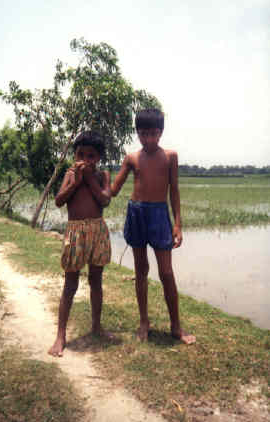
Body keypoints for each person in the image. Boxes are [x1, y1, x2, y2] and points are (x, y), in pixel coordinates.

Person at [111, 109, 195, 344]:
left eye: (153, 134)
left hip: (159, 215)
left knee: (166, 273)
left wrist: (177, 224)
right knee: (141, 270)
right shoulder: (132, 158)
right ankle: (143, 322)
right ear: (137, 133)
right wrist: (93, 180)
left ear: (161, 132)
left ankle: (176, 326)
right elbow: (114, 189)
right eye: (143, 133)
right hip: (136, 213)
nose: (148, 139)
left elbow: (174, 190)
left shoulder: (170, 157)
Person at [48, 131, 112, 357]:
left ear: (99, 158)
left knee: (96, 280)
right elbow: (58, 201)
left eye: (91, 156)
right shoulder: (70, 174)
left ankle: (96, 326)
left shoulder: (103, 176)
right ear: (75, 155)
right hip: (75, 233)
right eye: (80, 154)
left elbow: (105, 200)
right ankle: (60, 336)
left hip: (97, 230)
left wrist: (89, 180)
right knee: (70, 285)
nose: (85, 160)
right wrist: (75, 183)